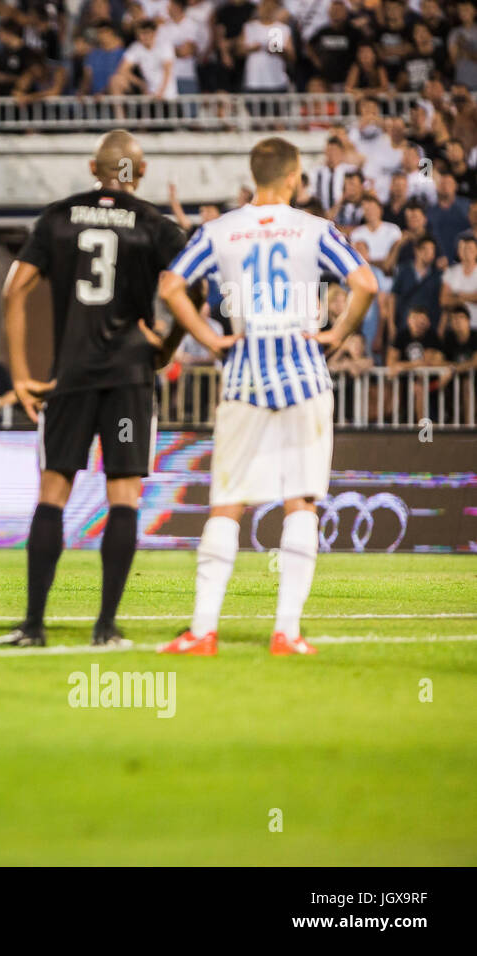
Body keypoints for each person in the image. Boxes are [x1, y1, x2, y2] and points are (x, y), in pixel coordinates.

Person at [159, 137, 377, 657]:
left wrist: (209, 337)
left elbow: (170, 285)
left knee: (226, 502)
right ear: (295, 178)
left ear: (254, 176)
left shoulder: (220, 230)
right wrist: (338, 334)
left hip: (244, 376)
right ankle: (287, 633)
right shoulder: (314, 229)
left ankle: (203, 630)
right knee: (300, 500)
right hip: (304, 373)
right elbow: (365, 282)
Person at [0, 130, 189, 650]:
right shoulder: (155, 225)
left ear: (91, 167)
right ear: (140, 173)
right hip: (129, 377)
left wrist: (18, 373)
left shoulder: (58, 217)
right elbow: (190, 289)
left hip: (70, 377)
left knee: (53, 492)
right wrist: (167, 343)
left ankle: (33, 626)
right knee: (123, 494)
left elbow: (14, 290)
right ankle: (105, 627)